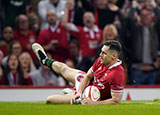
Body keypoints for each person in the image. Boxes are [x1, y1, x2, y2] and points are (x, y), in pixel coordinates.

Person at [32, 40, 125, 105]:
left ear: (114, 56)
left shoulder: (117, 74)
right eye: (101, 52)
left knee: (49, 100)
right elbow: (88, 76)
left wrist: (94, 103)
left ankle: (77, 98)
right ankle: (45, 60)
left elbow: (116, 101)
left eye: (104, 53)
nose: (100, 55)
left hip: (90, 96)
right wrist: (79, 92)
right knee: (65, 69)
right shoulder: (100, 60)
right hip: (86, 85)